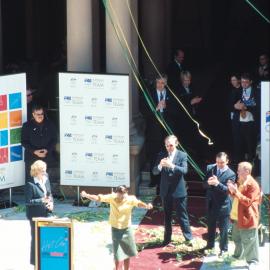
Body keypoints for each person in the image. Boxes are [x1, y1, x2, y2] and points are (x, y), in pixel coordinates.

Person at [80, 185, 153, 270]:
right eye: (119, 194)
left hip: (127, 228)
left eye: (123, 194)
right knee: (117, 253)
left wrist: (146, 206)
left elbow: (138, 203)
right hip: (116, 229)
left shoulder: (130, 199)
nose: (121, 197)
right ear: (116, 193)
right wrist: (86, 195)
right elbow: (98, 198)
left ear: (126, 193)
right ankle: (116, 268)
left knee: (128, 252)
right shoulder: (112, 197)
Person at [152, 135, 193, 246]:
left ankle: (189, 239)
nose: (169, 148)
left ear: (176, 144)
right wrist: (160, 165)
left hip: (178, 190)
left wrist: (172, 165)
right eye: (167, 145)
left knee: (182, 215)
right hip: (166, 191)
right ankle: (167, 239)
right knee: (167, 216)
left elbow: (185, 170)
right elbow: (155, 172)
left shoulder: (182, 155)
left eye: (170, 145)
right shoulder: (161, 155)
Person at [228, 162, 262, 270]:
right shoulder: (241, 181)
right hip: (237, 215)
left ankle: (253, 261)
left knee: (249, 240)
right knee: (236, 238)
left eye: (239, 170)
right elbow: (236, 196)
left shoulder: (253, 184)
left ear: (247, 171)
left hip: (248, 217)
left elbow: (247, 201)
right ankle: (238, 255)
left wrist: (236, 192)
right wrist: (232, 190)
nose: (237, 172)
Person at [144, 75, 175, 192]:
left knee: (168, 156)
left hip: (167, 131)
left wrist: (167, 107)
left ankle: (167, 179)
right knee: (154, 155)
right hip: (154, 131)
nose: (160, 85)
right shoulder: (150, 94)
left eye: (162, 83)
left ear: (166, 83)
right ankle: (154, 180)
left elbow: (177, 111)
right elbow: (144, 111)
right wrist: (156, 108)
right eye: (158, 83)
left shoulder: (171, 95)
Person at [203, 152, 236, 256]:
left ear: (227, 161)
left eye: (222, 162)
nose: (219, 164)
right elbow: (203, 184)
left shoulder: (231, 174)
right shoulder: (211, 169)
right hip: (211, 203)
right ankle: (210, 245)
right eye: (217, 162)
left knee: (223, 229)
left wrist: (217, 184)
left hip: (223, 205)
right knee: (211, 226)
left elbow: (228, 190)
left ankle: (224, 249)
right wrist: (208, 183)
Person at [25, 160, 54, 265]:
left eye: (45, 170)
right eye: (42, 171)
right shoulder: (30, 184)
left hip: (46, 212)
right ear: (36, 171)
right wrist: (41, 200)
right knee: (36, 237)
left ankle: (45, 258)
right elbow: (28, 202)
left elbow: (49, 194)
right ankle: (34, 262)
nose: (44, 172)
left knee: (46, 237)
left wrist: (51, 203)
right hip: (34, 215)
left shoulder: (46, 180)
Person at [21, 104, 58, 181]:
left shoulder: (50, 124)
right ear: (33, 115)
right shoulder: (27, 126)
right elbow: (24, 142)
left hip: (46, 157)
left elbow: (54, 139)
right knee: (30, 182)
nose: (40, 116)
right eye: (38, 114)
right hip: (31, 158)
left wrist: (47, 150)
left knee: (45, 182)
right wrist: (34, 151)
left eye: (42, 114)